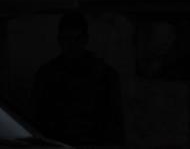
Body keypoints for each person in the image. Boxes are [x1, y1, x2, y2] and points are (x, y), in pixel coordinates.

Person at [32, 12, 124, 146]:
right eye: (67, 39)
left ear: (85, 40)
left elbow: (114, 122)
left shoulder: (105, 75)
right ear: (60, 40)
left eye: (77, 39)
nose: (72, 45)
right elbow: (40, 119)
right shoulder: (47, 75)